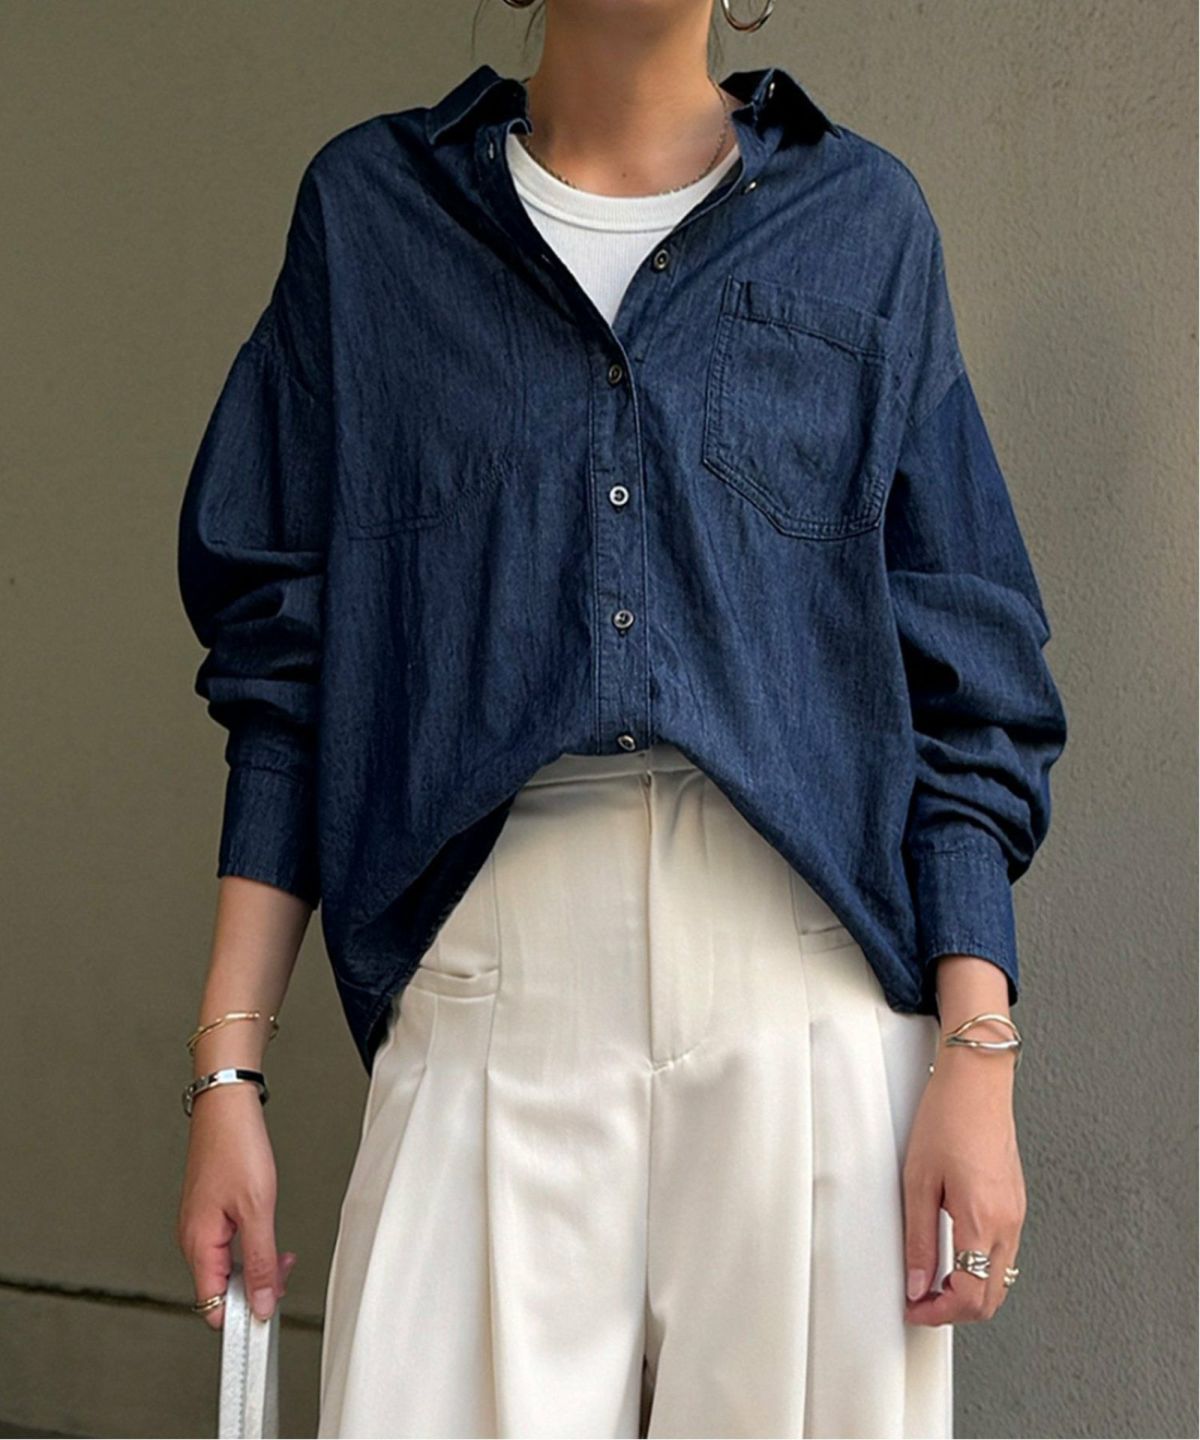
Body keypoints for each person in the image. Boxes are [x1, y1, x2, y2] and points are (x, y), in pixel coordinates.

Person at [174, 2, 1068, 1436]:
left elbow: (965, 663)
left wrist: (978, 1051)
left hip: (802, 988)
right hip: (490, 973)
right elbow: (287, 668)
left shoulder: (864, 222)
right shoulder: (373, 217)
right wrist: (230, 1068)